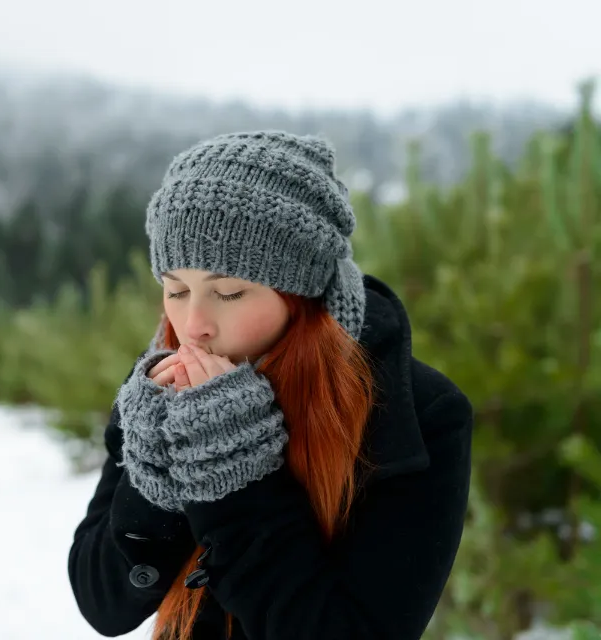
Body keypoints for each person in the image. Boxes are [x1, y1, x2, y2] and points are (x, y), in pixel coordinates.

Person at [67, 131, 473, 640]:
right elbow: (103, 605)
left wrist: (232, 472)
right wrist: (157, 474)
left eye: (228, 292)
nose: (193, 326)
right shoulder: (156, 389)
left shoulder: (416, 412)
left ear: (299, 294)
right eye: (176, 290)